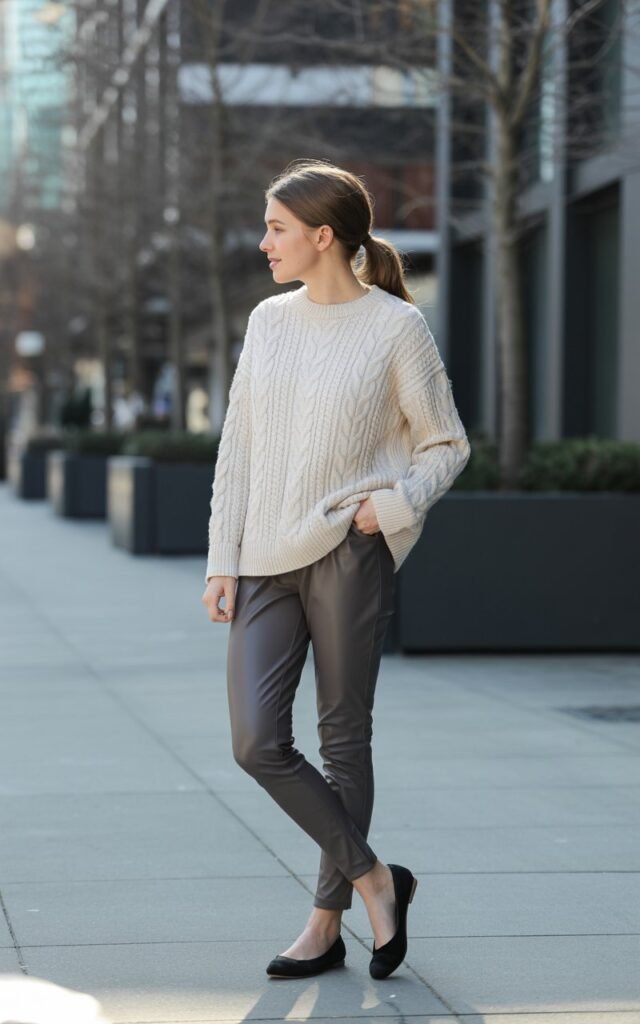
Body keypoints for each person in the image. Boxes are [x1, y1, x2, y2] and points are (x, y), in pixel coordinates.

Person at [201, 158, 470, 980]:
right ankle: (377, 879)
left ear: (323, 237)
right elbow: (239, 446)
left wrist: (386, 511)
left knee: (343, 739)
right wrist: (223, 557)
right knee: (256, 742)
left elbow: (445, 443)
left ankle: (325, 924)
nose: (264, 241)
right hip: (264, 560)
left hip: (350, 550)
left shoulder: (395, 328)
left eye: (277, 228)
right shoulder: (269, 320)